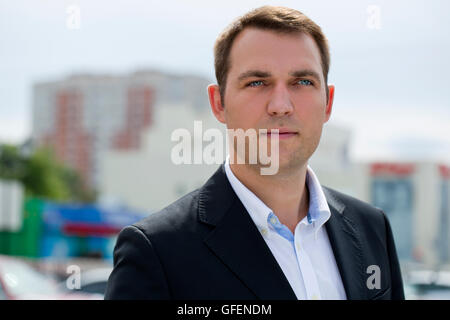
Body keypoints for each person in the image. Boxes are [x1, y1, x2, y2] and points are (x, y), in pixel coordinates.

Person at [105, 5, 404, 300]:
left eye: (302, 82)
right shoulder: (157, 252)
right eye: (257, 82)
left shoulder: (372, 228)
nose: (280, 105)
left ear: (328, 102)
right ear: (218, 103)